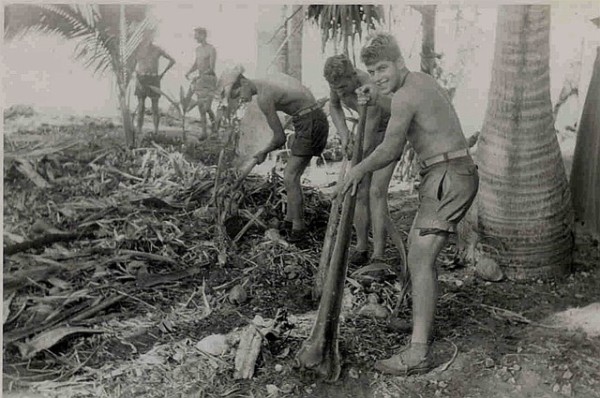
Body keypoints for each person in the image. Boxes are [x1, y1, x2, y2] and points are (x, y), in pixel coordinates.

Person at [341, 32, 479, 375]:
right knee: (420, 256)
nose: (377, 76)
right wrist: (377, 93)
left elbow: (390, 149)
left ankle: (418, 352)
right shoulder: (420, 81)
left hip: (448, 175)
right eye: (371, 71)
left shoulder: (405, 96)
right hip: (447, 173)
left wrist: (357, 170)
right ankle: (420, 323)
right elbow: (402, 102)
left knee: (420, 258)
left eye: (383, 68)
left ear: (400, 61)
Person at [217, 66, 329, 243]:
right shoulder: (266, 81)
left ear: (244, 81)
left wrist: (262, 152)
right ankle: (289, 222)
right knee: (291, 176)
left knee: (290, 177)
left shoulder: (264, 96)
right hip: (309, 119)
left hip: (310, 122)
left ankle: (299, 232)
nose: (240, 99)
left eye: (237, 93)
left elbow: (279, 138)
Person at [324, 54, 398, 275]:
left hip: (390, 134)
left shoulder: (368, 86)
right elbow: (334, 107)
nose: (339, 91)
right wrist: (345, 135)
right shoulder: (337, 83)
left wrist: (350, 174)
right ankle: (361, 247)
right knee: (360, 189)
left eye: (343, 86)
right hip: (367, 134)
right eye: (334, 87)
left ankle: (378, 254)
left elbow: (366, 144)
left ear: (353, 75)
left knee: (376, 191)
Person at [134, 28, 176, 136]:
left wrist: (162, 74)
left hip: (153, 79)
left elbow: (172, 60)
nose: (148, 38)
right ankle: (139, 129)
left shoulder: (157, 49)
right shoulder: (138, 49)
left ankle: (156, 130)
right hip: (141, 78)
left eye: (150, 36)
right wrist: (136, 77)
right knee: (141, 106)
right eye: (145, 35)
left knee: (155, 107)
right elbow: (132, 64)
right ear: (143, 37)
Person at [186, 27, 217, 137]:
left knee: (207, 107)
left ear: (203, 35)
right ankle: (204, 132)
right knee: (201, 108)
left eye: (197, 35)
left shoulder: (211, 49)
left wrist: (199, 76)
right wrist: (189, 72)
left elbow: (212, 68)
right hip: (200, 80)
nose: (195, 37)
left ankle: (215, 127)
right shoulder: (198, 49)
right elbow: (196, 64)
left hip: (209, 80)